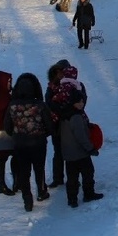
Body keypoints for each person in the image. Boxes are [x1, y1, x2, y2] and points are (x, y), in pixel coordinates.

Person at [3, 73, 54, 212]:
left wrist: (16, 135)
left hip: (20, 144)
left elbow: (7, 127)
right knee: (39, 169)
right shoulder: (40, 105)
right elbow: (50, 126)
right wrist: (42, 134)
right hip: (38, 143)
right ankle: (42, 191)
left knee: (24, 172)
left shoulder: (12, 106)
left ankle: (27, 198)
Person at [58, 85, 104, 208]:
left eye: (83, 101)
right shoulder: (77, 117)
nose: (82, 104)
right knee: (88, 173)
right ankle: (89, 194)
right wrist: (91, 148)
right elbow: (81, 136)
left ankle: (72, 199)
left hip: (68, 153)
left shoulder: (64, 114)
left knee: (72, 177)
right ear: (74, 102)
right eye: (79, 101)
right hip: (80, 152)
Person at [45, 59, 73, 189]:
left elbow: (80, 101)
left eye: (62, 71)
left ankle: (72, 178)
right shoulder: (51, 87)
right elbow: (49, 104)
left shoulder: (74, 85)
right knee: (58, 152)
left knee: (72, 152)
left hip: (69, 123)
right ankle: (58, 178)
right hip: (56, 124)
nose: (60, 74)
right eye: (58, 72)